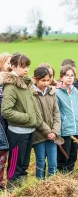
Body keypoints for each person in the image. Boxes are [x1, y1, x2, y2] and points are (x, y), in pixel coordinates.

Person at [1, 53, 49, 187]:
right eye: (22, 66)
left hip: (30, 130)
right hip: (17, 132)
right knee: (15, 164)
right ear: (13, 66)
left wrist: (44, 128)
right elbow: (6, 111)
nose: (26, 69)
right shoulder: (11, 86)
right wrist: (28, 118)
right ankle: (11, 190)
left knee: (24, 164)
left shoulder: (26, 84)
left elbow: (34, 109)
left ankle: (22, 189)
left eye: (27, 66)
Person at [32, 67, 61, 179]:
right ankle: (40, 184)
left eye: (47, 80)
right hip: (39, 135)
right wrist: (48, 131)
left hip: (52, 135)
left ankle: (52, 184)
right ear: (35, 79)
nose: (45, 83)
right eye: (42, 80)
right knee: (41, 162)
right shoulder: (32, 94)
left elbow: (56, 113)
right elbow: (36, 117)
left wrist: (54, 131)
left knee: (53, 163)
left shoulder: (51, 92)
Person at [56, 65, 78, 172]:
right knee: (64, 155)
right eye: (67, 75)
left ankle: (70, 172)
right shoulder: (57, 93)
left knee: (73, 155)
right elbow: (56, 112)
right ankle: (62, 174)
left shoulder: (75, 91)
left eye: (72, 75)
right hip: (65, 129)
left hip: (75, 127)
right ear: (61, 77)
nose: (70, 77)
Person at [0, 52, 11, 189]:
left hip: (8, 121)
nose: (10, 66)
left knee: (6, 152)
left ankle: (3, 181)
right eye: (8, 62)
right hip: (1, 122)